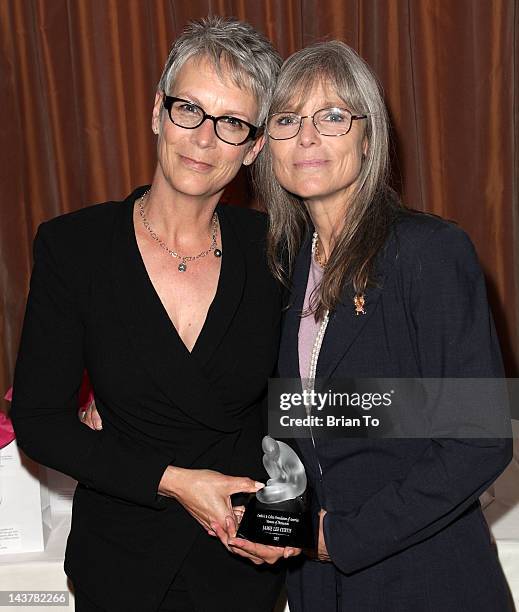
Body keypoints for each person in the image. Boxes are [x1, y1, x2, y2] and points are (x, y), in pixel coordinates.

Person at [10, 17, 297, 612]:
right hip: (119, 563)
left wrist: (287, 516)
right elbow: (39, 421)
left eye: (231, 123)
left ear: (255, 147)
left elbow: (294, 407)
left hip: (237, 562)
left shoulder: (277, 250)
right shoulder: (73, 247)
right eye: (188, 109)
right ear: (156, 112)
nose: (203, 139)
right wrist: (171, 480)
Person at [228, 41, 513, 610]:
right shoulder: (283, 268)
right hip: (318, 588)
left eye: (332, 116)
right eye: (287, 119)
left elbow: (478, 441)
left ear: (368, 136)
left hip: (426, 581)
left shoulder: (428, 252)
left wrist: (339, 537)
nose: (306, 137)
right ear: (267, 147)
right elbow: (298, 427)